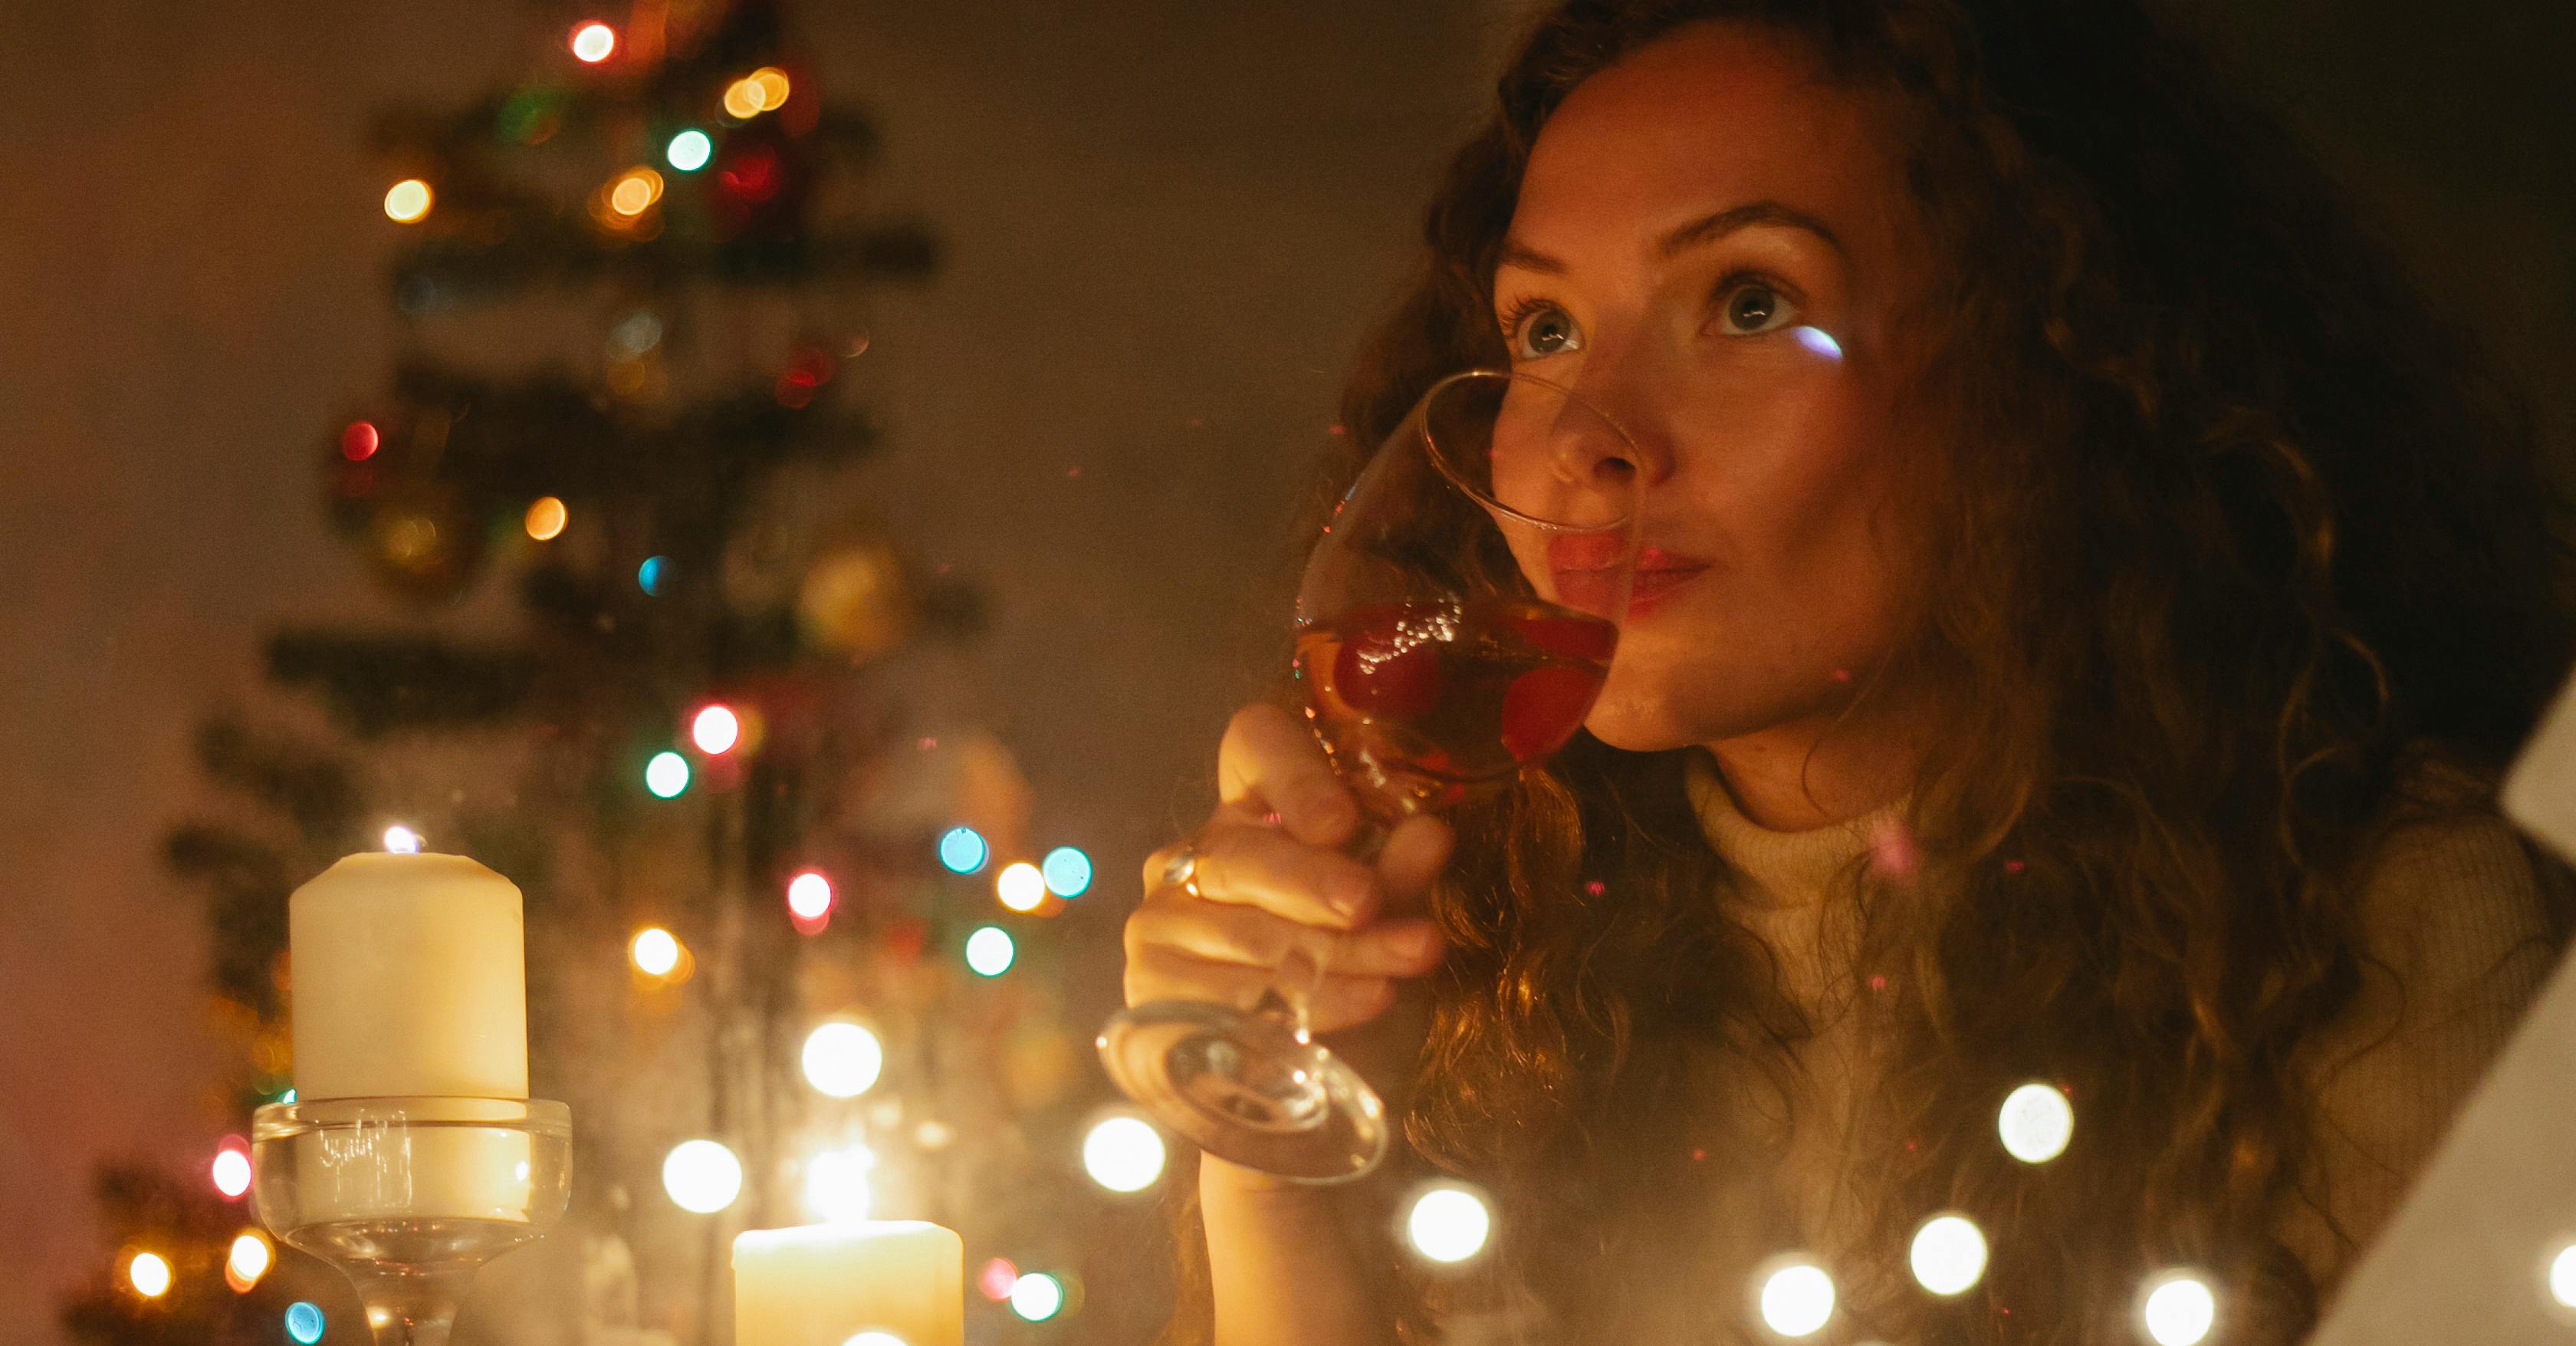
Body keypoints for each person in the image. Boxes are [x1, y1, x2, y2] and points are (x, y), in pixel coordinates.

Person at [1120, 2, 2574, 1341]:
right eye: (1545, 330)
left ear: (2045, 371)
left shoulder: (2363, 920)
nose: (1585, 437)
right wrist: (1273, 1187)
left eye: (1748, 303)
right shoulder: (1501, 931)